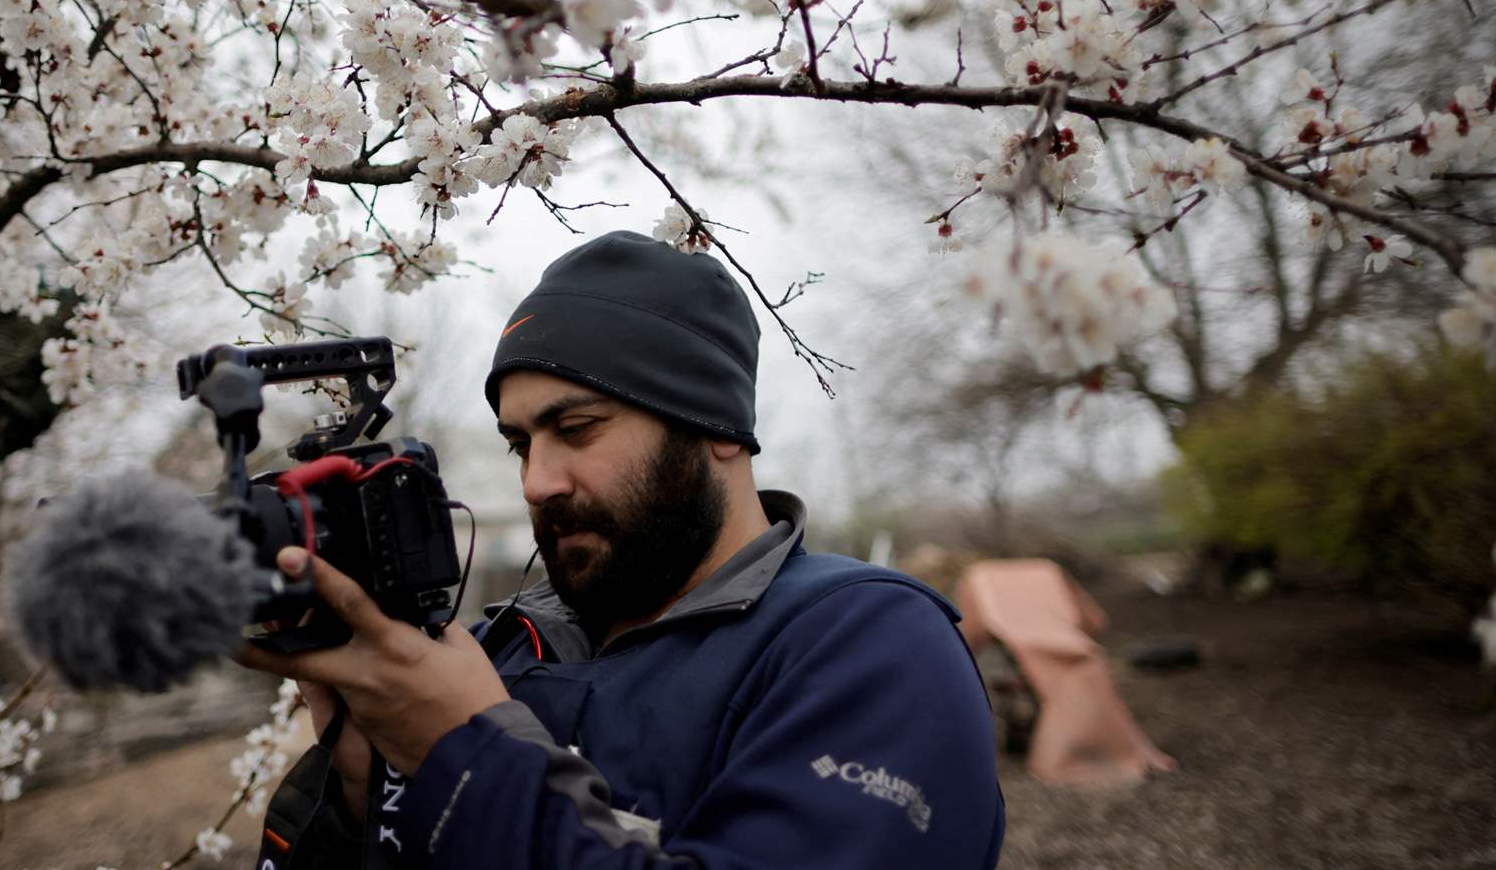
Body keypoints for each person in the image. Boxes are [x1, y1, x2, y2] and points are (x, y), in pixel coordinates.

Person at [238, 230, 1004, 869]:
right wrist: (357, 789)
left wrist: (464, 755)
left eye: (576, 431)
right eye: (519, 445)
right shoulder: (490, 655)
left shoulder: (864, 645)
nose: (537, 483)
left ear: (715, 429)